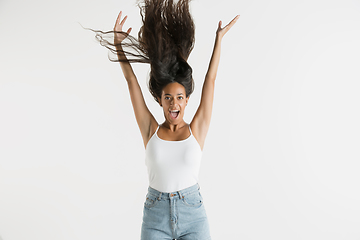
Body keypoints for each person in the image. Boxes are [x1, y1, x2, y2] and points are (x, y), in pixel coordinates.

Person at [88, 0, 239, 239]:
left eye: (179, 97)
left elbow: (210, 80)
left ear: (187, 100)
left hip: (193, 214)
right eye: (168, 97)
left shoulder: (197, 129)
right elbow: (131, 83)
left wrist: (218, 40)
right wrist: (119, 46)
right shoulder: (150, 130)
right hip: (155, 216)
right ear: (160, 100)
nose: (174, 103)